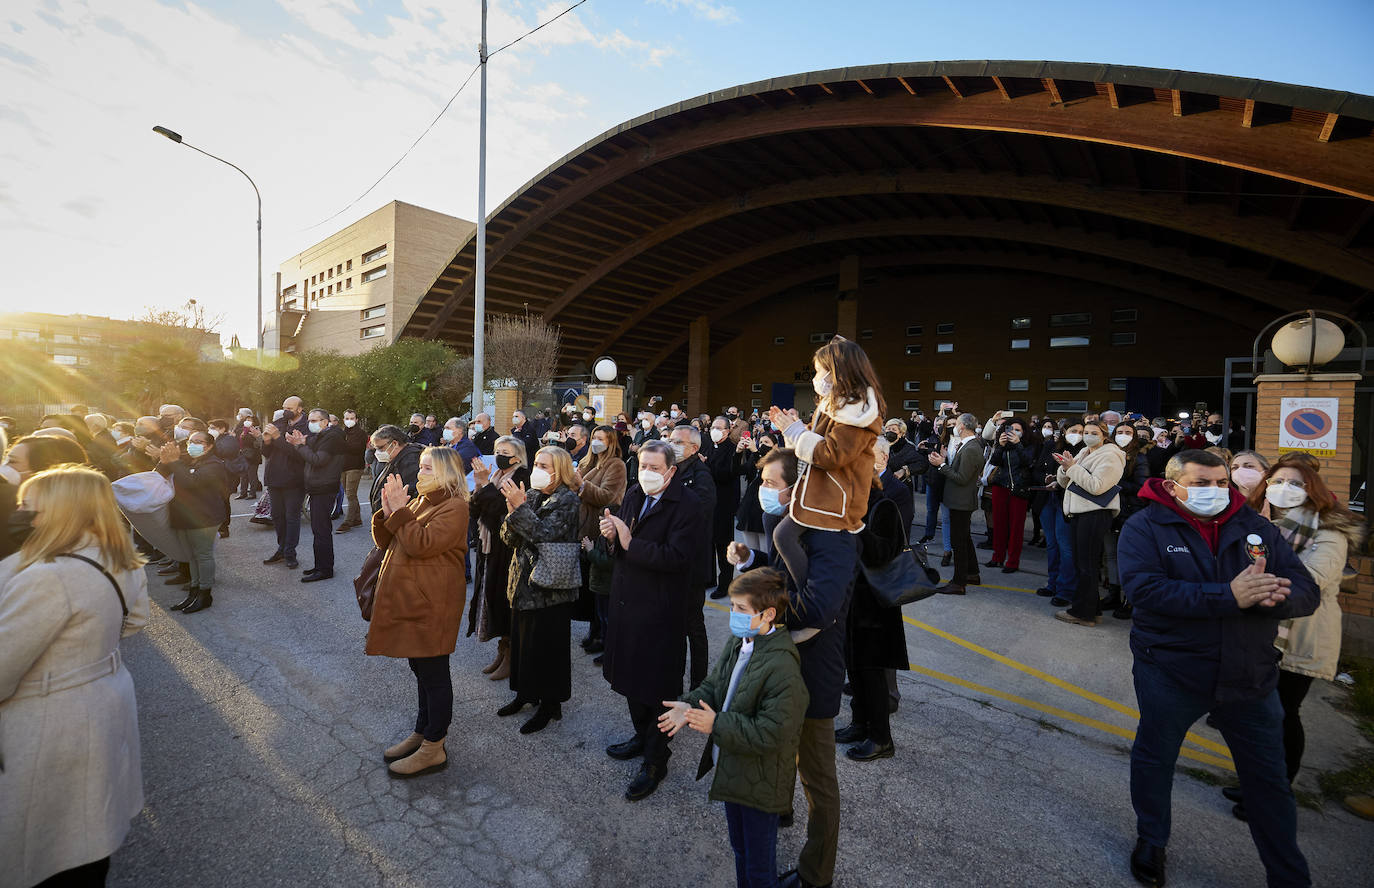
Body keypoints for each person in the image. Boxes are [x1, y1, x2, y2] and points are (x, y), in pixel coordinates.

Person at [1118, 449, 1319, 888]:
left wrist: (1275, 597)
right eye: (1202, 484)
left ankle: (1288, 875)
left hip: (1250, 674)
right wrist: (1228, 596)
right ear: (1173, 486)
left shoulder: (1255, 527)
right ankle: (1151, 838)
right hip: (1172, 670)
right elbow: (1145, 590)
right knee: (1156, 759)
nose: (1216, 492)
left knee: (1268, 781)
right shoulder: (1144, 527)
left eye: (1221, 483)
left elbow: (1306, 589)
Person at [0, 466, 150, 888]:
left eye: (30, 506)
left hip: (52, 714)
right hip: (103, 692)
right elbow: (136, 620)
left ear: (61, 511)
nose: (23, 515)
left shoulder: (48, 576)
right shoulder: (119, 558)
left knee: (49, 840)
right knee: (88, 831)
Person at [726, 445, 858, 888]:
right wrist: (750, 564)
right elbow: (780, 576)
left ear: (799, 486)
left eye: (770, 484)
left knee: (818, 783)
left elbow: (819, 606)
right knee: (776, 751)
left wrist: (766, 613)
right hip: (778, 663)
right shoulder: (788, 521)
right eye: (761, 482)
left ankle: (815, 875)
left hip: (812, 670)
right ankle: (778, 814)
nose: (762, 491)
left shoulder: (834, 532)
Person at [1222, 454, 1363, 820]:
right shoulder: (1256, 520)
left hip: (1300, 636)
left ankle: (1275, 794)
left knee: (1283, 714)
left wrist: (1262, 556)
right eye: (1278, 481)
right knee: (1257, 715)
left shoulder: (1329, 530)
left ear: (1313, 490)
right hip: (1259, 632)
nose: (1284, 489)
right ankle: (1256, 782)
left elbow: (1307, 581)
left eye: (1296, 484)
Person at [659, 567, 808, 888]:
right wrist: (689, 704)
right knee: (741, 850)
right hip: (733, 769)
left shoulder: (783, 667)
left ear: (768, 614)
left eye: (741, 609)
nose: (733, 615)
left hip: (760, 782)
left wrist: (717, 723)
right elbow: (714, 685)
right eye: (732, 607)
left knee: (758, 867)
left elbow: (772, 733)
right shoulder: (741, 640)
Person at [600, 439, 704, 801]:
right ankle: (641, 736)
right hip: (628, 602)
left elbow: (677, 557)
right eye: (643, 466)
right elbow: (621, 545)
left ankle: (656, 759)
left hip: (660, 609)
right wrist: (612, 539)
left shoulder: (688, 505)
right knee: (630, 677)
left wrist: (629, 543)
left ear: (672, 471)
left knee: (658, 687)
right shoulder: (632, 494)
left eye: (655, 468)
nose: (647, 474)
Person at [369, 447, 470, 778]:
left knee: (435, 675)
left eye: (428, 468)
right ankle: (422, 731)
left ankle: (434, 747)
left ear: (446, 473)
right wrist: (387, 513)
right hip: (415, 601)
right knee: (421, 669)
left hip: (434, 605)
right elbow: (391, 541)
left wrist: (400, 511)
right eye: (422, 466)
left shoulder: (454, 507)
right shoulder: (423, 500)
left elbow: (421, 544)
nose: (420, 473)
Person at [771, 335, 883, 592]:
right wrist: (793, 429)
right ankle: (803, 593)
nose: (816, 377)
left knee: (783, 536)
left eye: (821, 370)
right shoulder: (834, 406)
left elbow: (832, 454)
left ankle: (807, 594)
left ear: (838, 373)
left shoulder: (857, 413)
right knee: (781, 533)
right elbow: (812, 439)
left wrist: (797, 432)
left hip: (836, 499)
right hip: (822, 494)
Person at [836, 435, 912, 762]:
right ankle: (859, 722)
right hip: (853, 601)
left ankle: (881, 738)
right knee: (855, 669)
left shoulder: (884, 505)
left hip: (875, 607)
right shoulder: (853, 504)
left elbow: (884, 552)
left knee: (872, 674)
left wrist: (856, 528)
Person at [497, 445, 581, 734]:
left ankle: (550, 704)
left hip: (550, 587)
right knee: (523, 643)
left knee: (548, 647)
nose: (538, 470)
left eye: (545, 466)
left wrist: (519, 510)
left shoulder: (568, 500)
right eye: (537, 464)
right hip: (523, 584)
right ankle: (525, 694)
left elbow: (543, 535)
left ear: (561, 470)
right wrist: (512, 513)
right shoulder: (531, 495)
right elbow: (508, 538)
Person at [1053, 418, 1126, 626]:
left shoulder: (1111, 456)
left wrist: (1073, 468)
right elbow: (1064, 481)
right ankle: (1092, 609)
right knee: (1082, 564)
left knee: (1087, 565)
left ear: (1104, 435)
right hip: (1079, 513)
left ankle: (1083, 613)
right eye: (1086, 432)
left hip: (1094, 514)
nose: (1088, 436)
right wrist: (1065, 466)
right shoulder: (1084, 452)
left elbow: (1097, 486)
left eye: (1094, 432)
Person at [468, 437, 530, 680]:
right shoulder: (495, 476)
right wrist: (482, 487)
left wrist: (485, 487)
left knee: (506, 602)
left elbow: (500, 515)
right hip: (488, 546)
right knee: (492, 598)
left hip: (507, 547)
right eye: (497, 451)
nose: (500, 455)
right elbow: (474, 510)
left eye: (505, 451)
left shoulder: (522, 476)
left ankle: (512, 655)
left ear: (518, 456)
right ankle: (502, 650)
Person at [156, 430, 230, 614]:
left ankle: (205, 594)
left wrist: (174, 461)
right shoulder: (186, 460)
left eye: (198, 441)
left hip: (204, 517)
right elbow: (159, 474)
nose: (193, 444)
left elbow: (190, 482)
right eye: (191, 441)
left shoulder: (214, 464)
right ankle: (193, 592)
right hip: (183, 516)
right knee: (191, 556)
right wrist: (164, 459)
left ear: (210, 446)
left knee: (203, 555)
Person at [668, 425, 717, 683]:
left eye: (678, 441)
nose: (671, 443)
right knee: (673, 627)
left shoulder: (700, 474)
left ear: (694, 448)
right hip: (671, 560)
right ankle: (673, 679)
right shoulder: (671, 469)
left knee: (693, 626)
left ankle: (699, 684)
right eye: (670, 439)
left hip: (692, 563)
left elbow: (700, 510)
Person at [573, 425, 627, 653]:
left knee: (600, 587)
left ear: (610, 442)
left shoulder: (616, 465)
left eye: (600, 438)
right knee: (588, 586)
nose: (595, 442)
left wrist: (581, 486)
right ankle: (594, 631)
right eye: (593, 437)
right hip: (582, 528)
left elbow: (607, 496)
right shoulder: (587, 462)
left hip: (601, 529)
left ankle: (603, 636)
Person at [928, 413, 985, 595]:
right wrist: (945, 460)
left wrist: (941, 465)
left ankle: (958, 582)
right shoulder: (968, 446)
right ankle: (972, 573)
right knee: (965, 538)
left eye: (957, 424)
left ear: (962, 427)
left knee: (958, 542)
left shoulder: (971, 448)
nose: (955, 428)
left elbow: (961, 478)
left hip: (961, 501)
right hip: (958, 500)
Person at [288, 409, 347, 582]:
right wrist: (301, 442)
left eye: (314, 420)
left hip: (324, 488)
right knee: (319, 530)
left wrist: (300, 445)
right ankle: (320, 565)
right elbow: (311, 446)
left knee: (321, 531)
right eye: (310, 420)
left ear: (325, 422)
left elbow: (318, 460)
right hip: (317, 487)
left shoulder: (332, 437)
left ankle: (325, 569)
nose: (310, 423)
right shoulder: (323, 436)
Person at [1101, 424, 1153, 618]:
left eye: (1128, 433)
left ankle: (1129, 599)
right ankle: (1113, 594)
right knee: (1110, 556)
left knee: (1129, 559)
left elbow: (1141, 488)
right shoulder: (1107, 454)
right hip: (1109, 511)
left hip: (1130, 512)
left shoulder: (1139, 458)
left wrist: (1113, 482)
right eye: (1119, 433)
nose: (1123, 436)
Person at [983, 415, 1035, 574]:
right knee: (999, 525)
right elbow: (995, 462)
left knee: (1016, 528)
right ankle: (997, 557)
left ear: (1023, 432)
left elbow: (1028, 462)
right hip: (1000, 487)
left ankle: (1012, 561)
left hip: (1019, 489)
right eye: (1011, 429)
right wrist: (1000, 446)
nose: (1014, 432)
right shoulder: (1001, 444)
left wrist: (1018, 445)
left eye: (1018, 430)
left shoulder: (1029, 445)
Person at [706, 415, 747, 596]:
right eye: (712, 426)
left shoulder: (732, 449)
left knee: (723, 546)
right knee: (708, 543)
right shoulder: (708, 445)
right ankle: (709, 578)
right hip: (708, 503)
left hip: (724, 503)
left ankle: (725, 583)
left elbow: (726, 474)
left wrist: (705, 465)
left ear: (727, 430)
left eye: (718, 427)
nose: (714, 430)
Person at [257, 420, 306, 571]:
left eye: (289, 408)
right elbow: (266, 453)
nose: (286, 412)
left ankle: (290, 552)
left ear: (299, 408)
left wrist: (277, 438)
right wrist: (266, 441)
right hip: (274, 480)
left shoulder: (306, 427)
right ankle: (282, 549)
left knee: (291, 518)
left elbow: (298, 455)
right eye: (284, 408)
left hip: (293, 482)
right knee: (277, 516)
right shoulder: (279, 425)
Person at [369, 425, 423, 516]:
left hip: (397, 518)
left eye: (380, 448)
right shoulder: (396, 458)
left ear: (394, 443)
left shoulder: (410, 461)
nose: (377, 452)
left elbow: (409, 493)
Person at [336, 409, 371, 533]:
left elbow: (356, 448)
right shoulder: (342, 432)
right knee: (350, 494)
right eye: (347, 418)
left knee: (350, 495)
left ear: (356, 420)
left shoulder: (361, 433)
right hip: (343, 467)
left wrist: (341, 444)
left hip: (355, 467)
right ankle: (357, 519)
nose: (349, 421)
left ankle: (348, 522)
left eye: (352, 418)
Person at [236, 412, 263, 499]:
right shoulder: (243, 430)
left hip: (253, 455)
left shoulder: (256, 430)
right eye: (246, 420)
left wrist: (250, 437)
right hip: (243, 454)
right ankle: (242, 492)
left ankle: (252, 493)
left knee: (252, 475)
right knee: (243, 475)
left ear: (254, 422)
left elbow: (257, 444)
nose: (247, 421)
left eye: (250, 420)